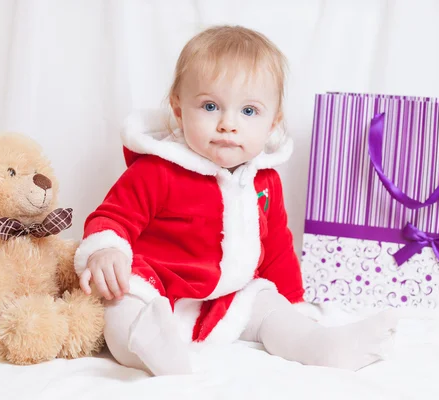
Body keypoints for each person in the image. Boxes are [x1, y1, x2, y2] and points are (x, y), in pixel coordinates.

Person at [74, 25, 396, 376]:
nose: (228, 124)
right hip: (156, 287)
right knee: (121, 304)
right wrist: (106, 250)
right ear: (179, 110)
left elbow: (275, 247)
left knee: (268, 304)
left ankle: (319, 344)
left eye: (248, 111)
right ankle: (156, 351)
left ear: (273, 123)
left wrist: (294, 304)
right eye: (210, 106)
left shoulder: (265, 180)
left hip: (225, 297)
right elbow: (114, 216)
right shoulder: (158, 170)